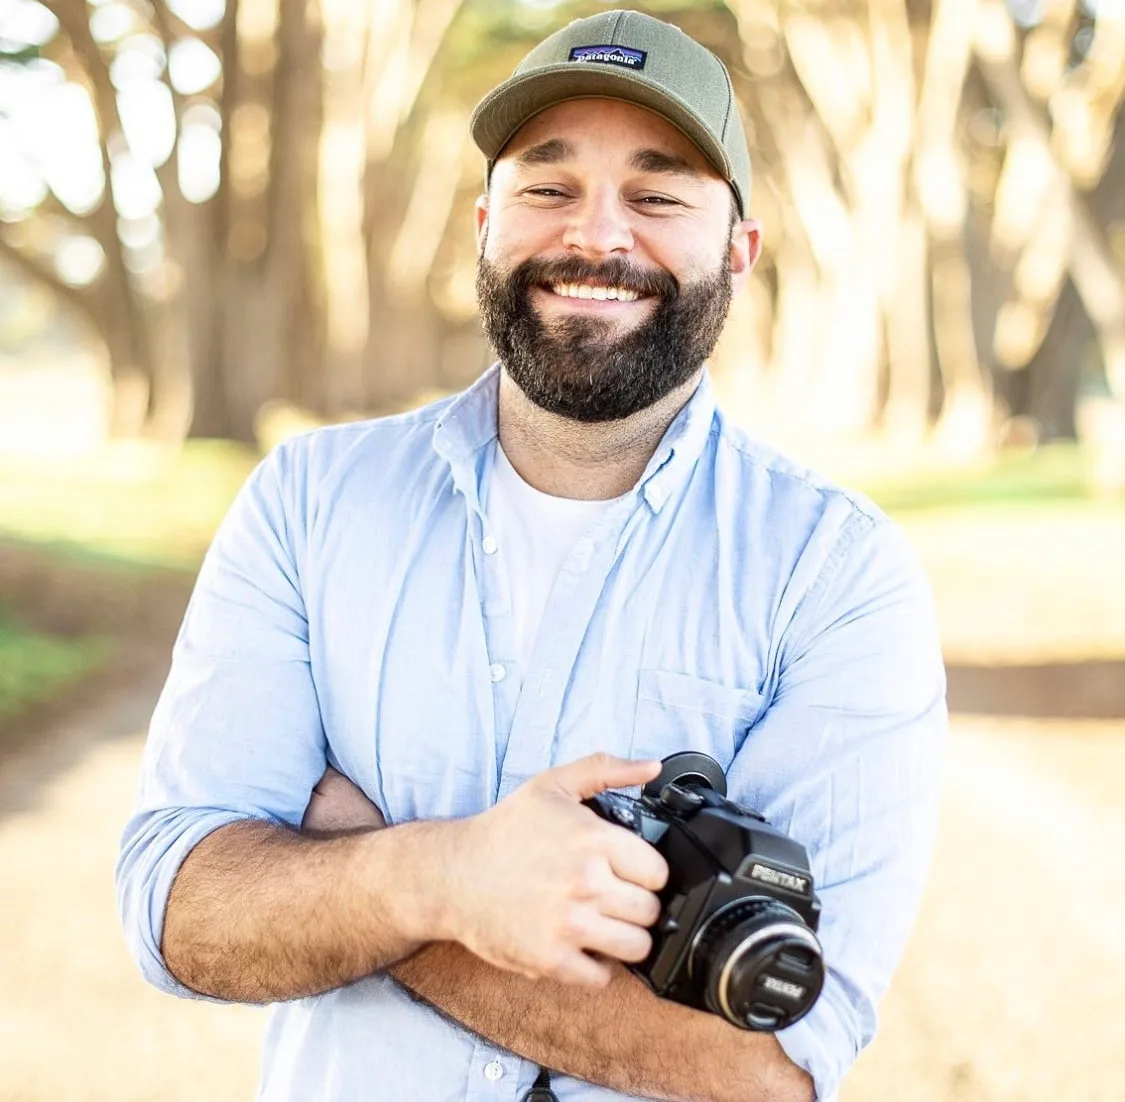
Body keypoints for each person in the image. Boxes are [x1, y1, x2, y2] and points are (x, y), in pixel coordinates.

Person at [116, 10, 946, 1102]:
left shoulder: (836, 576)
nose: (596, 237)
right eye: (548, 189)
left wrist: (368, 873)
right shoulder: (308, 504)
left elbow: (770, 1063)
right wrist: (448, 878)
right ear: (484, 225)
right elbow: (180, 910)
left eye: (656, 196)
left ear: (738, 252)